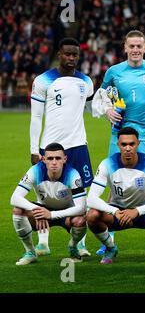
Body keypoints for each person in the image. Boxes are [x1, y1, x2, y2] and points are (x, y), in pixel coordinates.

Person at [93, 30, 145, 255]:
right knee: (114, 184)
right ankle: (108, 238)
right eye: (132, 46)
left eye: (140, 46)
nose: (136, 50)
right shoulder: (113, 71)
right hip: (119, 136)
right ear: (125, 48)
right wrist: (108, 110)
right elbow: (101, 97)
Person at [29, 38, 92, 258]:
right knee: (45, 194)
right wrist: (35, 149)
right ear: (59, 54)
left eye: (75, 54)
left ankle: (80, 243)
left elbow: (94, 107)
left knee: (81, 196)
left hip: (78, 146)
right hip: (51, 147)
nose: (71, 58)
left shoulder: (86, 81)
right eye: (67, 54)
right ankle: (43, 242)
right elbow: (36, 116)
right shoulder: (43, 80)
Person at [86, 127, 145, 264]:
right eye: (124, 144)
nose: (128, 148)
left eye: (131, 144)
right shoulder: (107, 164)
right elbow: (91, 198)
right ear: (118, 145)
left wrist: (137, 211)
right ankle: (110, 247)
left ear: (138, 144)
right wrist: (114, 211)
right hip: (118, 213)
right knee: (92, 215)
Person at [11, 143, 87, 265]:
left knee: (81, 221)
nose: (54, 162)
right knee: (18, 210)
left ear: (64, 159)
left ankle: (73, 246)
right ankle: (30, 252)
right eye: (50, 158)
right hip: (44, 210)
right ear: (44, 159)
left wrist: (51, 215)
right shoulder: (35, 171)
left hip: (67, 212)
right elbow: (14, 198)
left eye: (58, 158)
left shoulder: (73, 174)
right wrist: (38, 210)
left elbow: (82, 208)